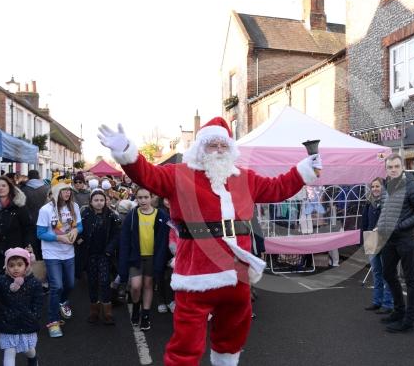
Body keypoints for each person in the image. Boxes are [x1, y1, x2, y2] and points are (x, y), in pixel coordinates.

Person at [98, 117, 321, 366]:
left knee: (232, 336)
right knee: (186, 345)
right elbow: (147, 175)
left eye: (222, 146)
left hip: (236, 274)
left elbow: (278, 187)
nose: (217, 151)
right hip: (195, 277)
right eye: (211, 145)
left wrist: (304, 171)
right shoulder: (178, 175)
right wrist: (127, 152)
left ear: (230, 148)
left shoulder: (245, 178)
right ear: (199, 148)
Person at [377, 154, 414, 333]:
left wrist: (399, 226)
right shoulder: (386, 185)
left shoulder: (411, 185)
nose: (393, 170)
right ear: (386, 168)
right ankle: (399, 311)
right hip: (389, 239)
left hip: (405, 238)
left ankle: (408, 321)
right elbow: (386, 210)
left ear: (402, 167)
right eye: (390, 167)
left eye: (396, 166)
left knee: (410, 279)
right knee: (388, 274)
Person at [118, 187, 169, 331]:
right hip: (136, 257)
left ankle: (145, 315)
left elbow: (166, 239)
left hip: (153, 257)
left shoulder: (161, 215)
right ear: (136, 198)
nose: (143, 200)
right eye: (140, 198)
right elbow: (125, 239)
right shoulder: (132, 215)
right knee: (135, 286)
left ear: (152, 198)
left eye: (146, 197)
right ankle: (136, 306)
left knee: (148, 285)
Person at [37, 182, 83, 338]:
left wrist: (76, 230)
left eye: (69, 190)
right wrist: (59, 237)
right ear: (56, 192)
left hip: (69, 252)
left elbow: (80, 226)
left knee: (70, 284)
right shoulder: (46, 210)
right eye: (63, 190)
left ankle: (63, 301)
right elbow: (41, 233)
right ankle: (53, 322)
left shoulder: (74, 207)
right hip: (51, 253)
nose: (67, 193)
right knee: (56, 286)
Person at [77, 188, 122, 324]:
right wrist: (79, 240)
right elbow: (78, 231)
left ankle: (108, 313)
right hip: (90, 255)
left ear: (105, 201)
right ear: (90, 201)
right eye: (96, 200)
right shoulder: (85, 215)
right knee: (92, 282)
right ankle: (94, 312)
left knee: (104, 281)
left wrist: (109, 250)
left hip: (105, 255)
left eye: (101, 200)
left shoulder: (111, 216)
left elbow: (116, 235)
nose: (99, 203)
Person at [0, 247, 43, 366]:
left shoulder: (33, 282)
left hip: (27, 322)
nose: (15, 268)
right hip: (8, 322)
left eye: (19, 264)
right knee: (9, 352)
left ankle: (33, 359)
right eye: (11, 265)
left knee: (28, 350)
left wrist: (34, 315)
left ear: (26, 265)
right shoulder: (2, 281)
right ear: (6, 266)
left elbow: (38, 301)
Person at [361, 177, 393, 314]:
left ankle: (388, 303)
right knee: (376, 272)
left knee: (387, 273)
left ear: (383, 188)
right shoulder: (369, 203)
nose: (375, 189)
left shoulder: (388, 203)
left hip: (385, 239)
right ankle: (377, 301)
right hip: (371, 239)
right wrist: (362, 240)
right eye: (373, 186)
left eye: (377, 186)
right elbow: (364, 222)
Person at [0, 176, 35, 276]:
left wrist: (28, 244)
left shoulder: (19, 206)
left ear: (9, 187)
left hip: (15, 253)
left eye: (4, 185)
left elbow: (28, 227)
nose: (1, 188)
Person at [21, 170, 51, 260]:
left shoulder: (23, 189)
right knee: (45, 247)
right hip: (45, 222)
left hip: (29, 223)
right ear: (38, 176)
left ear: (28, 177)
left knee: (33, 249)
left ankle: (36, 268)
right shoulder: (47, 188)